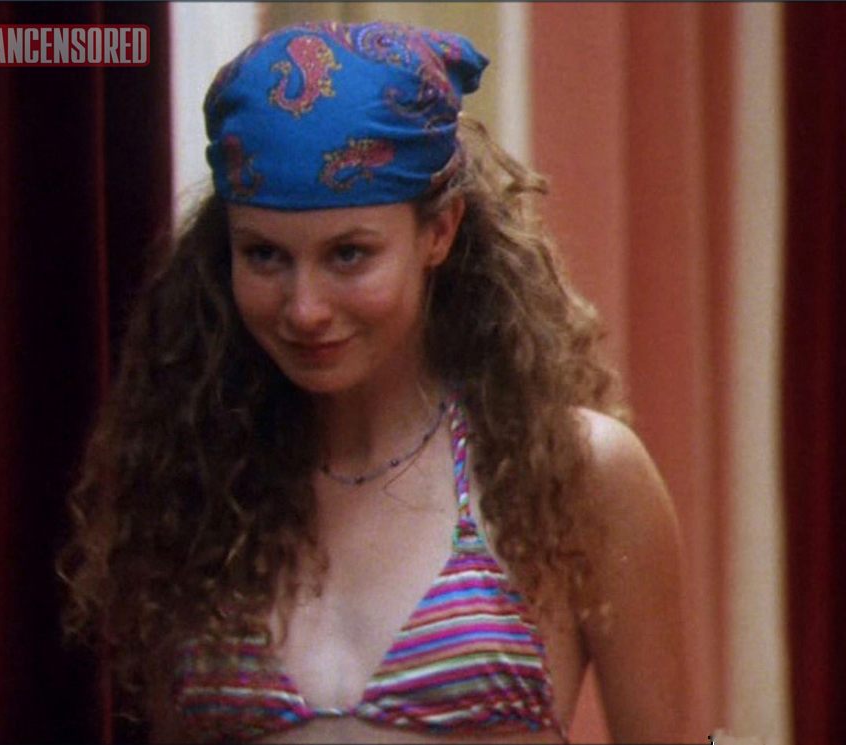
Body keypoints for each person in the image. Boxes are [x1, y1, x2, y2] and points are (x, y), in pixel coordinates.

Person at [60, 20, 690, 744]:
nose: (304, 308)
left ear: (439, 232)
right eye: (264, 256)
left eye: (349, 255)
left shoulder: (575, 473)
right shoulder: (195, 485)